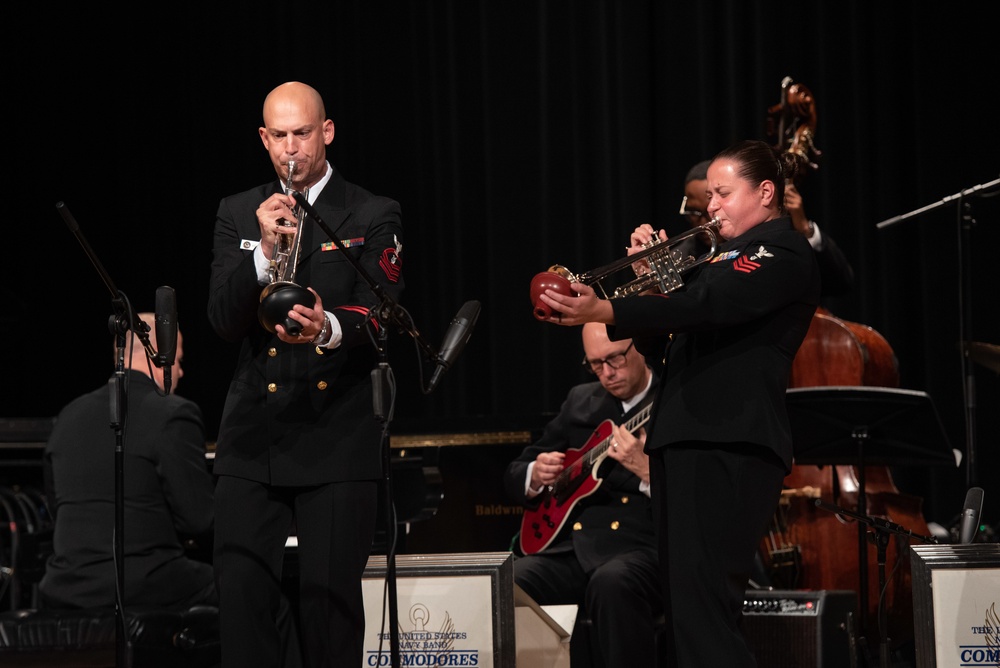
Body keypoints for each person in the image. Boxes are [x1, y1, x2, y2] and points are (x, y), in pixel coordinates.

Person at [537, 139, 821, 666]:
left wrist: (608, 305)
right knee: (690, 614)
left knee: (706, 614)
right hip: (688, 439)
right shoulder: (720, 256)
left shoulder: (782, 250)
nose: (710, 206)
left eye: (722, 192)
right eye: (709, 194)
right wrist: (651, 279)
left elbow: (709, 304)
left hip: (728, 442)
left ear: (765, 192)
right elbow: (669, 343)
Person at [208, 81, 404, 668]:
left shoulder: (372, 211)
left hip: (335, 432)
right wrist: (262, 256)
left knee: (328, 612)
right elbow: (222, 319)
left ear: (327, 131)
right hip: (253, 434)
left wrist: (327, 327)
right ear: (264, 139)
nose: (292, 149)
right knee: (241, 600)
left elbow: (384, 314)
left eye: (303, 134)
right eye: (280, 137)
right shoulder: (239, 211)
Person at [504, 322, 661, 667]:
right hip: (573, 549)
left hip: (641, 547)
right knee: (510, 582)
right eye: (595, 364)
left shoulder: (671, 398)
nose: (606, 373)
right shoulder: (581, 400)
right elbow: (518, 470)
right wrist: (537, 473)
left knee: (612, 583)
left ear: (640, 348)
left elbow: (700, 492)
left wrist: (647, 470)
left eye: (615, 359)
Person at [39, 312, 216, 611]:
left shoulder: (68, 415)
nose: (182, 373)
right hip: (145, 585)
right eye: (179, 361)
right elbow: (199, 520)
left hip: (66, 589)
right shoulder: (173, 414)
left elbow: (56, 506)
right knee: (263, 600)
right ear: (161, 355)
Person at [680, 158, 854, 298]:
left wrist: (803, 228)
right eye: (695, 212)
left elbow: (840, 282)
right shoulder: (683, 253)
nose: (710, 213)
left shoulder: (777, 245)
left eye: (724, 195)